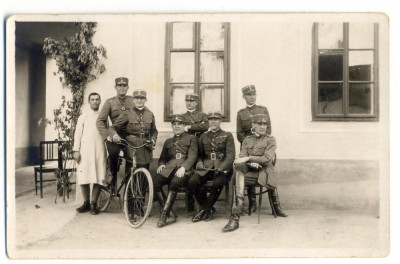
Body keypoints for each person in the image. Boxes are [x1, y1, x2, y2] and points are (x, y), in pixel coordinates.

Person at [222, 114, 287, 232]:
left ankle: (236, 213)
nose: (262, 127)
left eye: (265, 124)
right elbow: (242, 156)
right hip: (250, 172)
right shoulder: (247, 140)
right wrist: (250, 163)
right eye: (259, 124)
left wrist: (248, 159)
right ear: (253, 125)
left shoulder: (270, 140)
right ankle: (237, 212)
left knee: (237, 175)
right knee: (238, 171)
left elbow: (267, 159)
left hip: (264, 172)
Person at [188, 111, 235, 222]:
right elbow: (199, 155)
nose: (213, 122)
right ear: (208, 121)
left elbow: (230, 156)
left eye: (216, 119)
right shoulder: (204, 136)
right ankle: (209, 209)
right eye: (211, 119)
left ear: (220, 121)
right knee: (192, 181)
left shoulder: (227, 135)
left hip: (223, 167)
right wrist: (199, 163)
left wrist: (223, 167)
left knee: (218, 183)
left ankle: (204, 209)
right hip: (206, 167)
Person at [153, 115, 198, 228]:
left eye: (180, 124)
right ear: (172, 126)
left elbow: (192, 156)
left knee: (175, 182)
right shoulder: (168, 141)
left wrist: (184, 167)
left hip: (185, 169)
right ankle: (170, 213)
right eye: (174, 124)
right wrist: (162, 164)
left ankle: (164, 215)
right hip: (169, 168)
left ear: (184, 126)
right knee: (155, 183)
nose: (177, 126)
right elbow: (163, 157)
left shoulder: (191, 138)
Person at [236, 84, 272, 213]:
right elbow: (239, 133)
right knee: (245, 170)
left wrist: (257, 147)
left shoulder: (263, 110)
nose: (252, 97)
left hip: (262, 149)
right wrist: (249, 146)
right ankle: (252, 202)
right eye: (249, 95)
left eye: (253, 94)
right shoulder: (241, 114)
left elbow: (268, 130)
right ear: (244, 97)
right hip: (247, 148)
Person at [96, 77, 135, 189]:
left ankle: (130, 183)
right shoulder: (110, 102)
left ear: (127, 87)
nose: (122, 88)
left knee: (131, 157)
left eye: (124, 86)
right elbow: (100, 121)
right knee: (113, 152)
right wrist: (106, 136)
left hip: (129, 135)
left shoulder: (133, 101)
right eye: (119, 86)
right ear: (115, 87)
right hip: (114, 134)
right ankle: (111, 174)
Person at [73, 93, 107, 215]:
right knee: (84, 177)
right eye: (92, 99)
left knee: (98, 177)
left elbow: (106, 134)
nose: (95, 102)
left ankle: (94, 204)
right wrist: (76, 150)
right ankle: (86, 203)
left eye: (97, 99)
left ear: (100, 101)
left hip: (99, 150)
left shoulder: (103, 117)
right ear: (89, 102)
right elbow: (77, 134)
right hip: (85, 151)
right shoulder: (83, 117)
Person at [108, 89, 158, 172]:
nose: (139, 100)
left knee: (145, 174)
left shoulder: (150, 114)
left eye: (142, 98)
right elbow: (112, 128)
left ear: (145, 100)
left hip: (146, 147)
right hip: (132, 147)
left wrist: (153, 140)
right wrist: (115, 136)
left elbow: (154, 131)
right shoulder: (127, 114)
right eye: (136, 98)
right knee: (131, 173)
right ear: (133, 100)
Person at [181, 93, 209, 212]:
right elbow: (181, 129)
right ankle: (190, 204)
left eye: (192, 101)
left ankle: (201, 204)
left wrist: (190, 127)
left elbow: (206, 126)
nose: (189, 103)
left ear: (196, 103)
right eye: (187, 101)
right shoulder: (181, 117)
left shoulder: (202, 115)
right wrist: (198, 126)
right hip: (187, 147)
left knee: (200, 172)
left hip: (201, 145)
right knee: (189, 172)